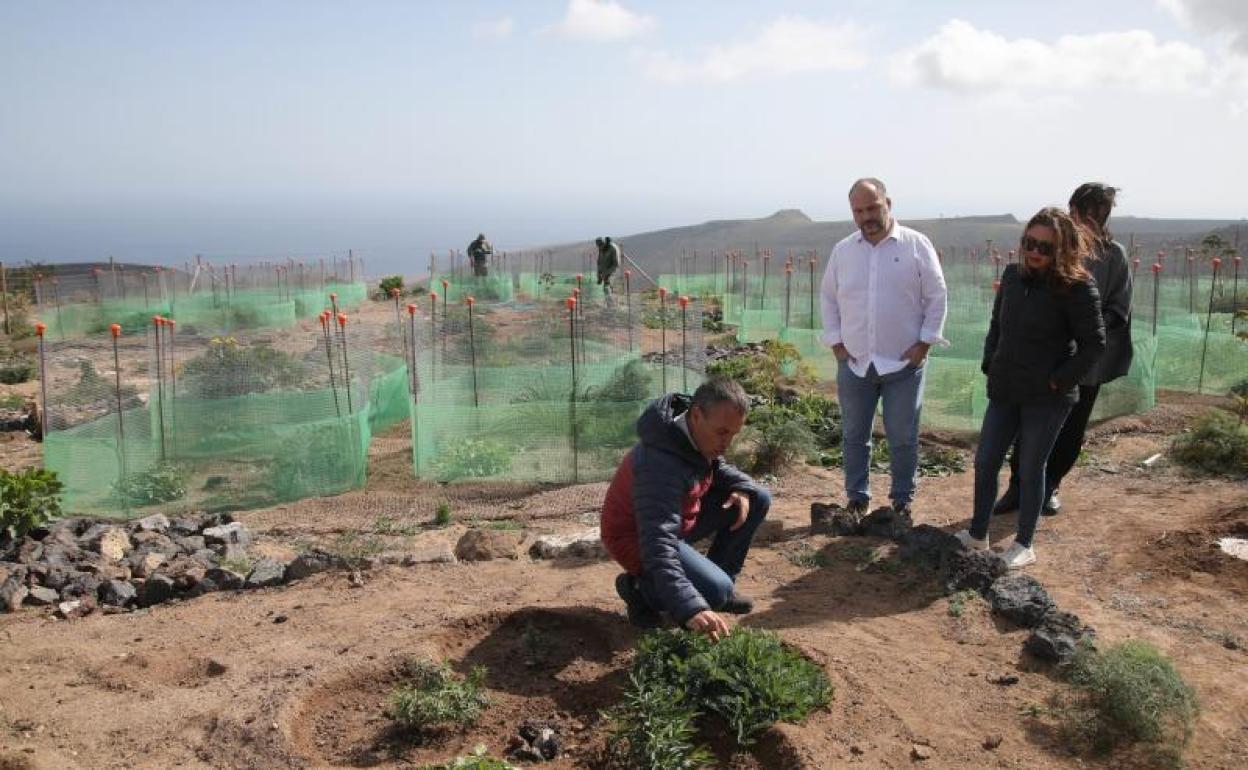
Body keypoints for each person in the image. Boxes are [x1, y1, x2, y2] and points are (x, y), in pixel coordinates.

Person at [958, 207, 1106, 568]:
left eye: (1045, 246)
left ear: (1063, 249)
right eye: (1030, 242)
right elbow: (997, 324)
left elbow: (1095, 345)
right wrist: (991, 361)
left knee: (1030, 467)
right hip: (1006, 387)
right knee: (985, 460)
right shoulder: (1012, 276)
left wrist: (1058, 379)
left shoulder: (1078, 288)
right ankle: (978, 535)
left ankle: (1024, 544)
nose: (1035, 251)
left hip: (1048, 396)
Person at [993, 184, 1132, 517]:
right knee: (1029, 426)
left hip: (1087, 364)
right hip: (1042, 360)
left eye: (1100, 215)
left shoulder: (1115, 256)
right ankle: (1018, 488)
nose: (1093, 223)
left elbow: (1118, 309)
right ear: (1072, 211)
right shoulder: (1054, 249)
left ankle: (1050, 486)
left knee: (1072, 429)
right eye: (1087, 215)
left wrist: (1086, 331)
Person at [600, 377, 771, 641]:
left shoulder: (691, 435)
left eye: (734, 434)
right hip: (637, 536)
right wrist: (689, 606)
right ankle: (638, 590)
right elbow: (658, 542)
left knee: (757, 498)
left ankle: (714, 588)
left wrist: (741, 487)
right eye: (722, 432)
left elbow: (714, 467)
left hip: (676, 520)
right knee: (715, 591)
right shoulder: (658, 464)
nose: (727, 443)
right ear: (696, 414)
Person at [820, 178, 948, 517]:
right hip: (855, 363)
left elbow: (937, 297)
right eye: (858, 210)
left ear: (888, 203)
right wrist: (836, 343)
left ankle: (902, 502)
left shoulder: (917, 245)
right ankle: (857, 499)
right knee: (853, 435)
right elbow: (829, 298)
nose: (866, 216)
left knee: (903, 437)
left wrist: (924, 344)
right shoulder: (843, 251)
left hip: (903, 365)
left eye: (872, 207)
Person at [596, 236, 621, 300]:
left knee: (607, 287)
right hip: (605, 272)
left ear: (605, 243)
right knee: (606, 289)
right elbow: (599, 262)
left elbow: (616, 265)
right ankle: (610, 305)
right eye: (598, 246)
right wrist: (599, 275)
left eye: (601, 246)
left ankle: (612, 308)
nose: (600, 248)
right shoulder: (601, 249)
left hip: (613, 271)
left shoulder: (613, 248)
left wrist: (606, 274)